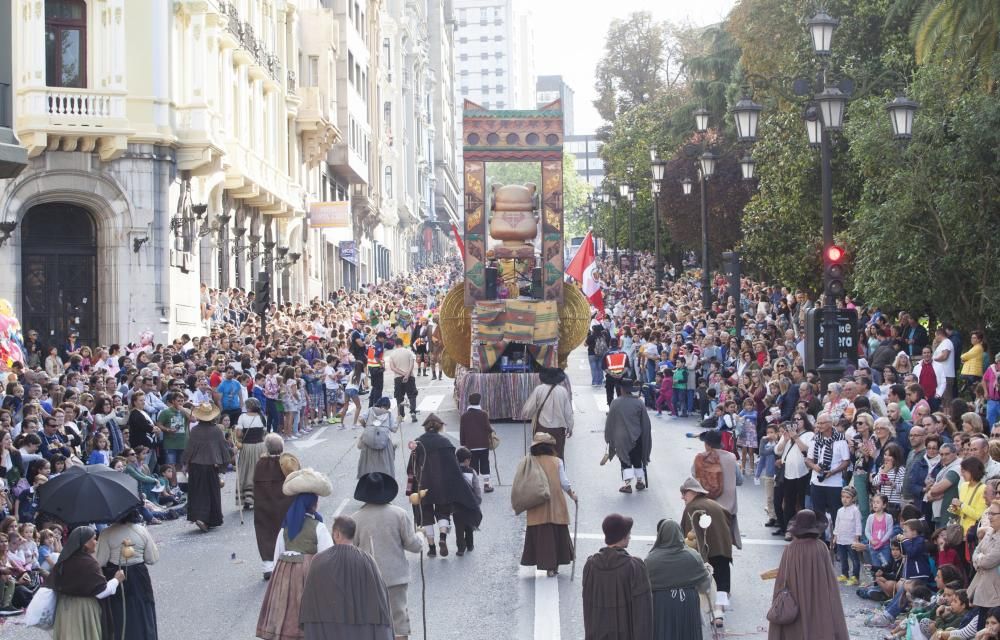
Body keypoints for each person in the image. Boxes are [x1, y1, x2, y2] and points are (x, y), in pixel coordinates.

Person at [256, 468, 333, 640]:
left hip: (284, 574)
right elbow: (328, 556)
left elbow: (278, 554)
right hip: (308, 575)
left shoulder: (286, 526)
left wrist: (278, 577)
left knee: (286, 612)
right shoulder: (318, 527)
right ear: (312, 503)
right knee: (307, 616)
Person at [351, 472, 424, 640]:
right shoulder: (398, 514)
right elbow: (413, 545)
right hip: (395, 577)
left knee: (372, 623)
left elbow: (351, 550)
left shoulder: (355, 519)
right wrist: (420, 535)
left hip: (367, 579)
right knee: (398, 622)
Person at [299, 516, 394, 640]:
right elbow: (380, 597)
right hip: (361, 628)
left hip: (328, 627)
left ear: (337, 534)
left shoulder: (318, 560)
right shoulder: (367, 560)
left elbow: (310, 599)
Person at [405, 413, 483, 557]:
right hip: (442, 486)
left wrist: (412, 488)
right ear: (440, 426)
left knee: (426, 516)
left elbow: (411, 468)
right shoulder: (445, 443)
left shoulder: (418, 443)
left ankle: (432, 548)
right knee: (443, 513)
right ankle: (442, 538)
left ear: (425, 427)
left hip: (423, 485)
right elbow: (454, 469)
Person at [767, 509, 850, 639]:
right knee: (818, 622)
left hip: (794, 600)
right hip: (819, 597)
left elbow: (781, 581)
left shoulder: (790, 549)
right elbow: (830, 580)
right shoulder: (821, 547)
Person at [582, 513, 653, 640]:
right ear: (622, 536)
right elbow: (643, 613)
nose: (630, 536)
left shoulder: (590, 565)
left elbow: (588, 607)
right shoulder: (635, 566)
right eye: (628, 533)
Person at [49, 526, 124, 640]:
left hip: (64, 609)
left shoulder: (64, 560)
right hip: (84, 609)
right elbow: (101, 592)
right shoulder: (88, 563)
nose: (96, 541)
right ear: (85, 543)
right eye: (94, 539)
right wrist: (116, 580)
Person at [518, 432, 577, 577]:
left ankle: (543, 563)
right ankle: (553, 567)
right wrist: (572, 495)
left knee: (541, 534)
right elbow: (564, 483)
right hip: (555, 502)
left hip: (536, 502)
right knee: (556, 533)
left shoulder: (529, 461)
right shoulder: (557, 461)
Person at [95, 510, 160, 640]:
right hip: (139, 574)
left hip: (116, 574)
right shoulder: (141, 531)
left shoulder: (107, 533)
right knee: (143, 608)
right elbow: (152, 558)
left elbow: (100, 561)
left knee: (121, 612)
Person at [645, 519, 713, 640]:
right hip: (687, 603)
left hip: (662, 605)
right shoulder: (693, 556)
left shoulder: (651, 560)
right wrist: (708, 572)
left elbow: (645, 589)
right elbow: (704, 587)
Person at [679, 476, 734, 620]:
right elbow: (730, 517)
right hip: (723, 548)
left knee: (709, 583)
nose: (682, 497)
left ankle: (705, 613)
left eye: (685, 493)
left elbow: (689, 535)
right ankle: (719, 614)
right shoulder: (714, 503)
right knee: (722, 581)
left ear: (693, 492)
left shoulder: (692, 508)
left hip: (707, 552)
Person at [181, 402, 231, 532]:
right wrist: (230, 454)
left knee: (198, 492)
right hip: (210, 465)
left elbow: (189, 448)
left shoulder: (195, 430)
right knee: (210, 492)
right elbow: (223, 448)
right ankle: (208, 518)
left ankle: (199, 516)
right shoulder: (216, 430)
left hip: (196, 466)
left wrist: (185, 463)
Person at [253, 436, 298, 580]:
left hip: (264, 504)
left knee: (265, 532)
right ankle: (285, 562)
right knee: (285, 531)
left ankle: (268, 565)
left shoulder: (260, 464)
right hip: (284, 504)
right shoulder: (286, 463)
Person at [693, 429, 742, 547]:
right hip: (728, 511)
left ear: (707, 444)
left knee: (706, 544)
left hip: (706, 508)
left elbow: (694, 481)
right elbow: (740, 481)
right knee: (725, 546)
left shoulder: (700, 459)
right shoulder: (731, 458)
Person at [604, 378, 652, 493]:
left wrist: (608, 437)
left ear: (622, 389)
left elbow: (610, 422)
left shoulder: (615, 403)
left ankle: (628, 484)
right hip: (637, 436)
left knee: (625, 460)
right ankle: (640, 481)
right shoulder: (639, 402)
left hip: (621, 437)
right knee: (637, 459)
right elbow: (645, 423)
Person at [522, 368, 574, 460]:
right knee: (558, 456)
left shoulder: (539, 389)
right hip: (558, 430)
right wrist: (570, 427)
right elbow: (568, 412)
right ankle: (557, 473)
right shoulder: (562, 391)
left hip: (542, 428)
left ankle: (542, 474)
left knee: (540, 456)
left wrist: (526, 414)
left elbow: (528, 409)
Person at [459, 393, 496, 491]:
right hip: (483, 444)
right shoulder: (483, 414)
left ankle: (473, 485)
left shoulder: (464, 416)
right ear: (479, 402)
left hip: (470, 445)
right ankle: (486, 485)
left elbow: (462, 431)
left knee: (473, 465)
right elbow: (487, 428)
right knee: (485, 463)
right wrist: (492, 430)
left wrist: (463, 443)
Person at [236, 397, 268, 510]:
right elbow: (264, 434)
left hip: (247, 447)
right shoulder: (262, 417)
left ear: (248, 407)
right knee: (259, 471)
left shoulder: (242, 417)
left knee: (246, 471)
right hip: (260, 446)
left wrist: (237, 431)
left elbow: (239, 434)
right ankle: (260, 497)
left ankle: (247, 498)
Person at [356, 396, 399, 480]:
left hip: (368, 442)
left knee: (368, 463)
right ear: (388, 406)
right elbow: (394, 429)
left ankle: (367, 479)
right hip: (383, 444)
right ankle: (383, 479)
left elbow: (360, 419)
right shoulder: (388, 414)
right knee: (384, 463)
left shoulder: (370, 410)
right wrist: (398, 420)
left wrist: (366, 426)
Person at [387, 337, 418, 423]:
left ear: (395, 344)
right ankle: (412, 412)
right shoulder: (408, 352)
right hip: (410, 377)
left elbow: (392, 368)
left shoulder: (392, 354)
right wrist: (407, 374)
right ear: (402, 343)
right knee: (412, 395)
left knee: (399, 397)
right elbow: (412, 365)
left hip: (398, 378)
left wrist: (403, 374)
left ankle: (401, 415)